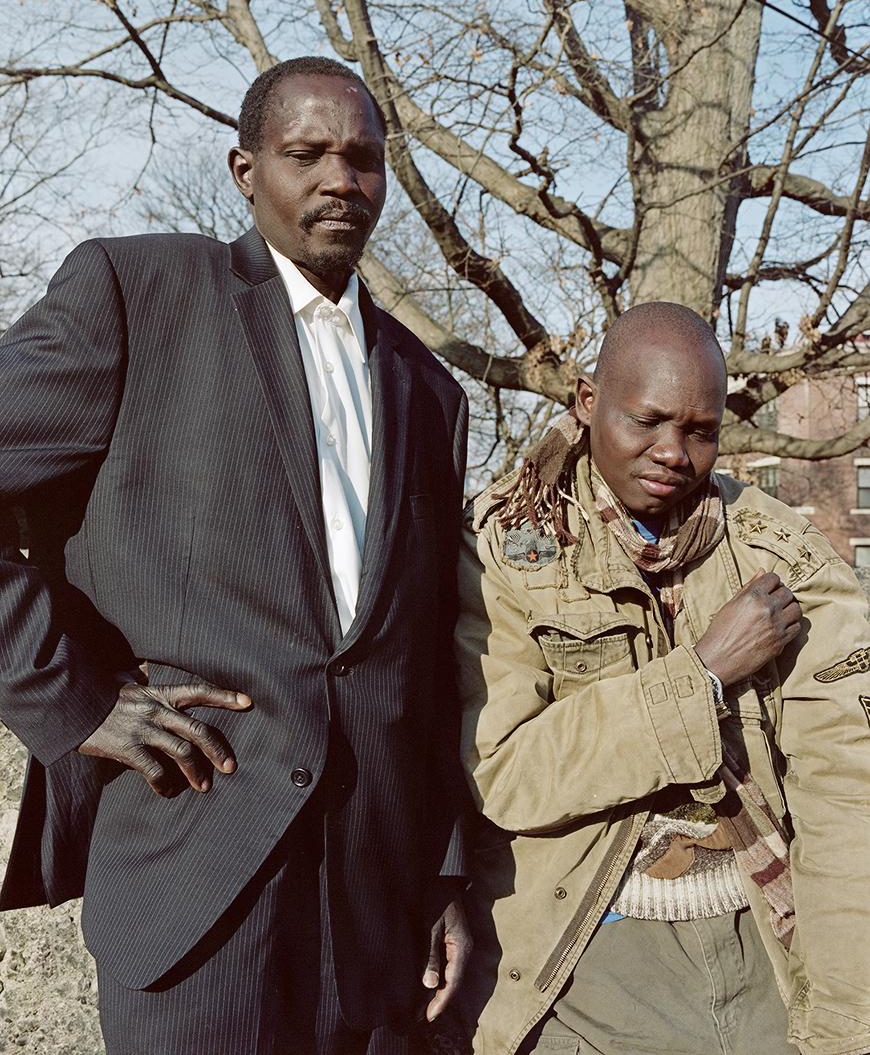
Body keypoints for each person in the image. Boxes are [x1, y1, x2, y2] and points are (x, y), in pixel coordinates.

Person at [0, 56, 472, 1054]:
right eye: (307, 154)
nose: (341, 179)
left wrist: (442, 872)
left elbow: (426, 660)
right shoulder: (137, 293)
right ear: (244, 169)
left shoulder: (429, 390)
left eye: (364, 158)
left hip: (373, 905)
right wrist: (71, 700)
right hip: (196, 866)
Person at [454, 302, 870, 1055]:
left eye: (700, 430)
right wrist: (702, 675)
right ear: (587, 401)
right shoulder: (505, 548)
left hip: (765, 944)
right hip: (585, 956)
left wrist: (844, 1025)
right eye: (646, 420)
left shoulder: (781, 552)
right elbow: (504, 770)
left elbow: (848, 789)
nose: (673, 451)